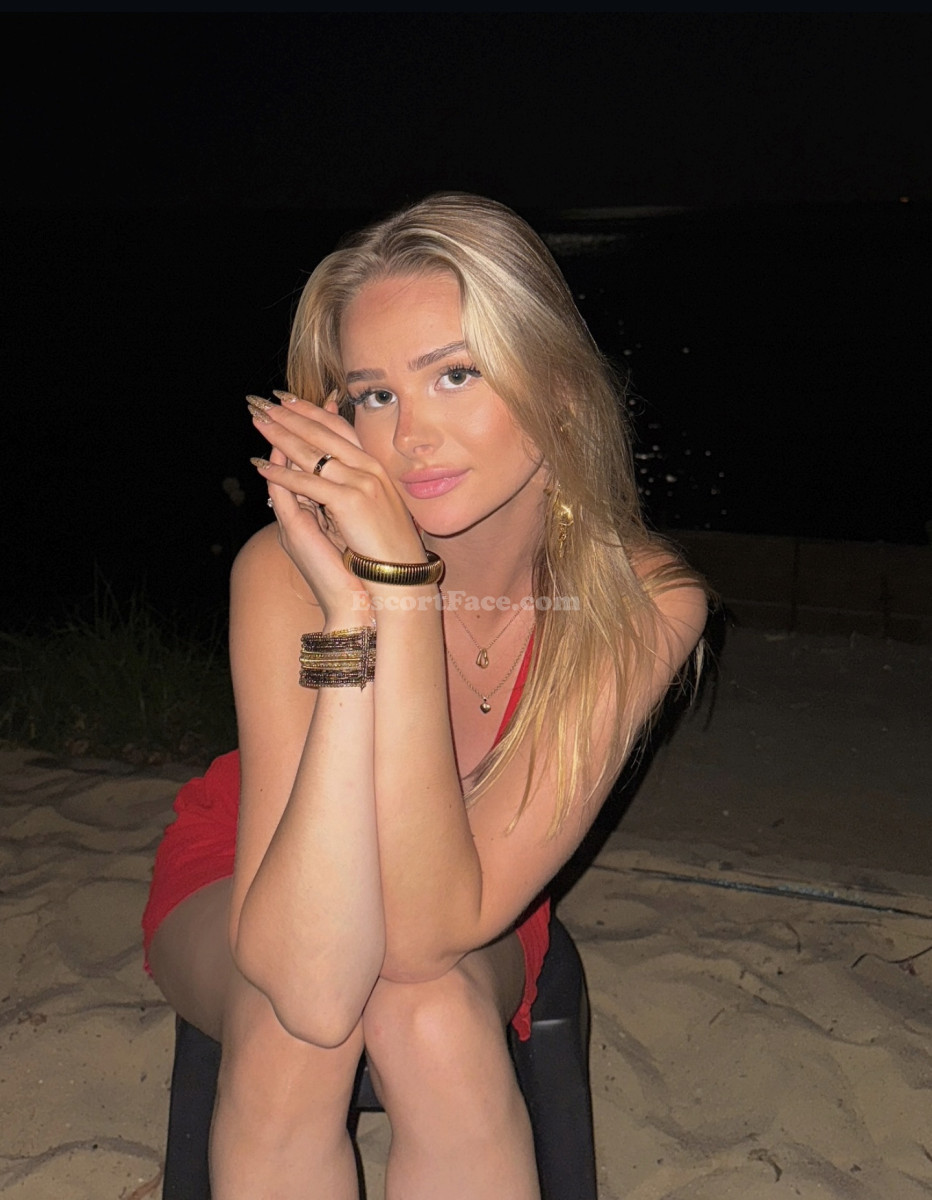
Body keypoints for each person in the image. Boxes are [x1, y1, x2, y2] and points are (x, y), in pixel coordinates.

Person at [142, 192, 707, 1199]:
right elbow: (313, 989)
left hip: (468, 878)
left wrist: (400, 594)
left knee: (430, 1016)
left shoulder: (640, 601)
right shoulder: (287, 569)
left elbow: (425, 929)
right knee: (292, 1035)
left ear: (557, 388)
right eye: (374, 395)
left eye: (455, 374)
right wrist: (361, 612)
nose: (411, 436)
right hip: (258, 861)